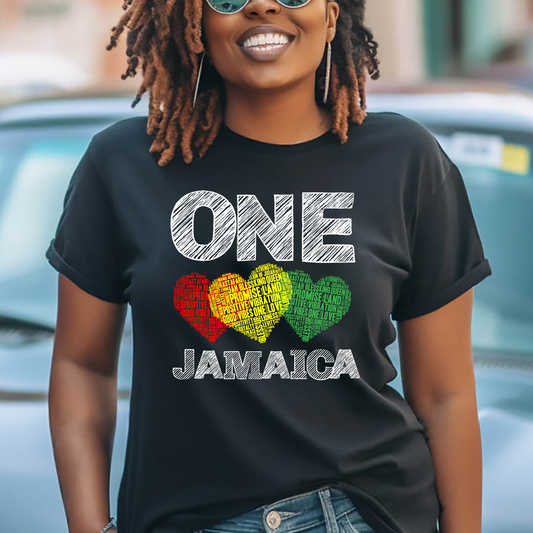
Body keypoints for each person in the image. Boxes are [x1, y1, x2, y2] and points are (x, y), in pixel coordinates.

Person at [45, 0, 493, 532]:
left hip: (362, 512)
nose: (261, 5)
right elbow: (82, 366)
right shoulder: (122, 166)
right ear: (196, 27)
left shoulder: (407, 162)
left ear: (330, 17)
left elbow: (445, 394)